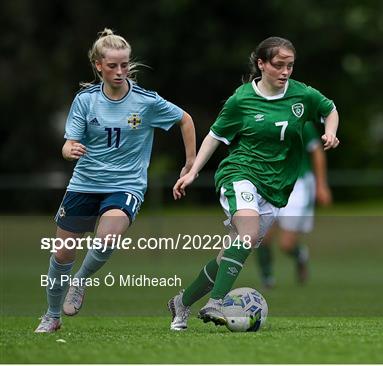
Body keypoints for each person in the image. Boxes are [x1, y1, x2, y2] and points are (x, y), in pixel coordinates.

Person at [167, 36, 339, 331]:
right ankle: (216, 302)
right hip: (240, 174)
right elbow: (215, 136)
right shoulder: (241, 99)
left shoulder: (302, 95)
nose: (286, 72)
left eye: (291, 66)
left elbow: (330, 109)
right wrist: (193, 171)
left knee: (229, 255)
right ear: (261, 64)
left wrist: (331, 133)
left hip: (275, 187)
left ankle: (181, 303)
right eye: (279, 65)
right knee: (246, 232)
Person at [35, 28, 197, 333]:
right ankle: (52, 316)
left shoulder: (146, 101)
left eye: (124, 64)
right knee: (62, 253)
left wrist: (190, 163)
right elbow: (69, 143)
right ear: (98, 65)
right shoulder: (85, 101)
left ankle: (79, 282)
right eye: (113, 65)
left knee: (107, 238)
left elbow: (184, 119)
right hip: (84, 183)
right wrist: (69, 149)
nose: (120, 71)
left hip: (126, 185)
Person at [256, 120, 332, 288]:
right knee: (261, 236)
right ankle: (267, 279)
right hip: (270, 184)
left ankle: (300, 255)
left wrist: (321, 185)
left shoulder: (301, 121)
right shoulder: (260, 118)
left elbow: (317, 151)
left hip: (297, 186)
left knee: (286, 244)